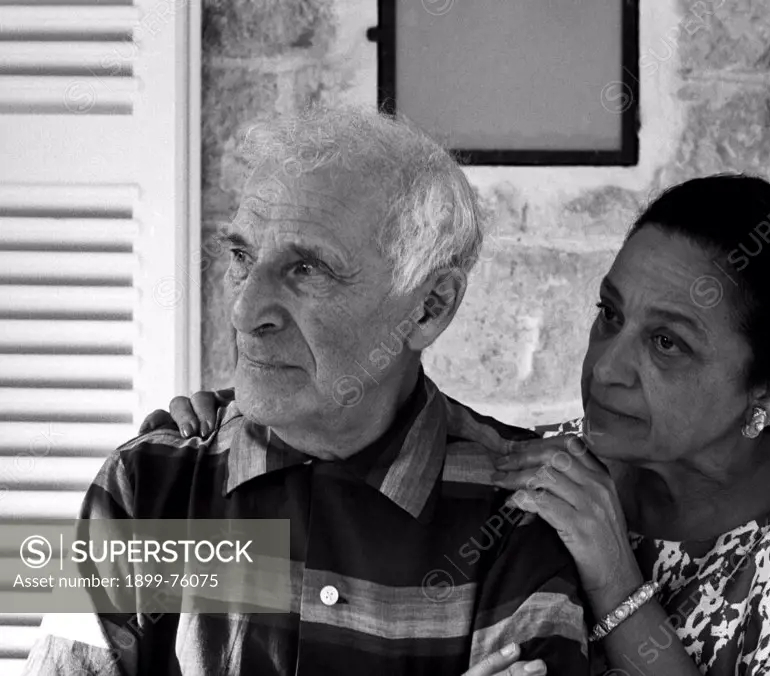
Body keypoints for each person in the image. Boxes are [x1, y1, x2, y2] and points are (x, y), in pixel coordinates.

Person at [151, 174, 770, 675]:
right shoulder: (537, 471)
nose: (607, 366)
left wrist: (615, 578)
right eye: (609, 315)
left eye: (668, 344)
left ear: (768, 392)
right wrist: (264, 417)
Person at [23, 107, 591, 676]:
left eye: (307, 269)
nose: (246, 312)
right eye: (242, 257)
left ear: (429, 306)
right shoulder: (148, 489)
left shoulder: (517, 511)